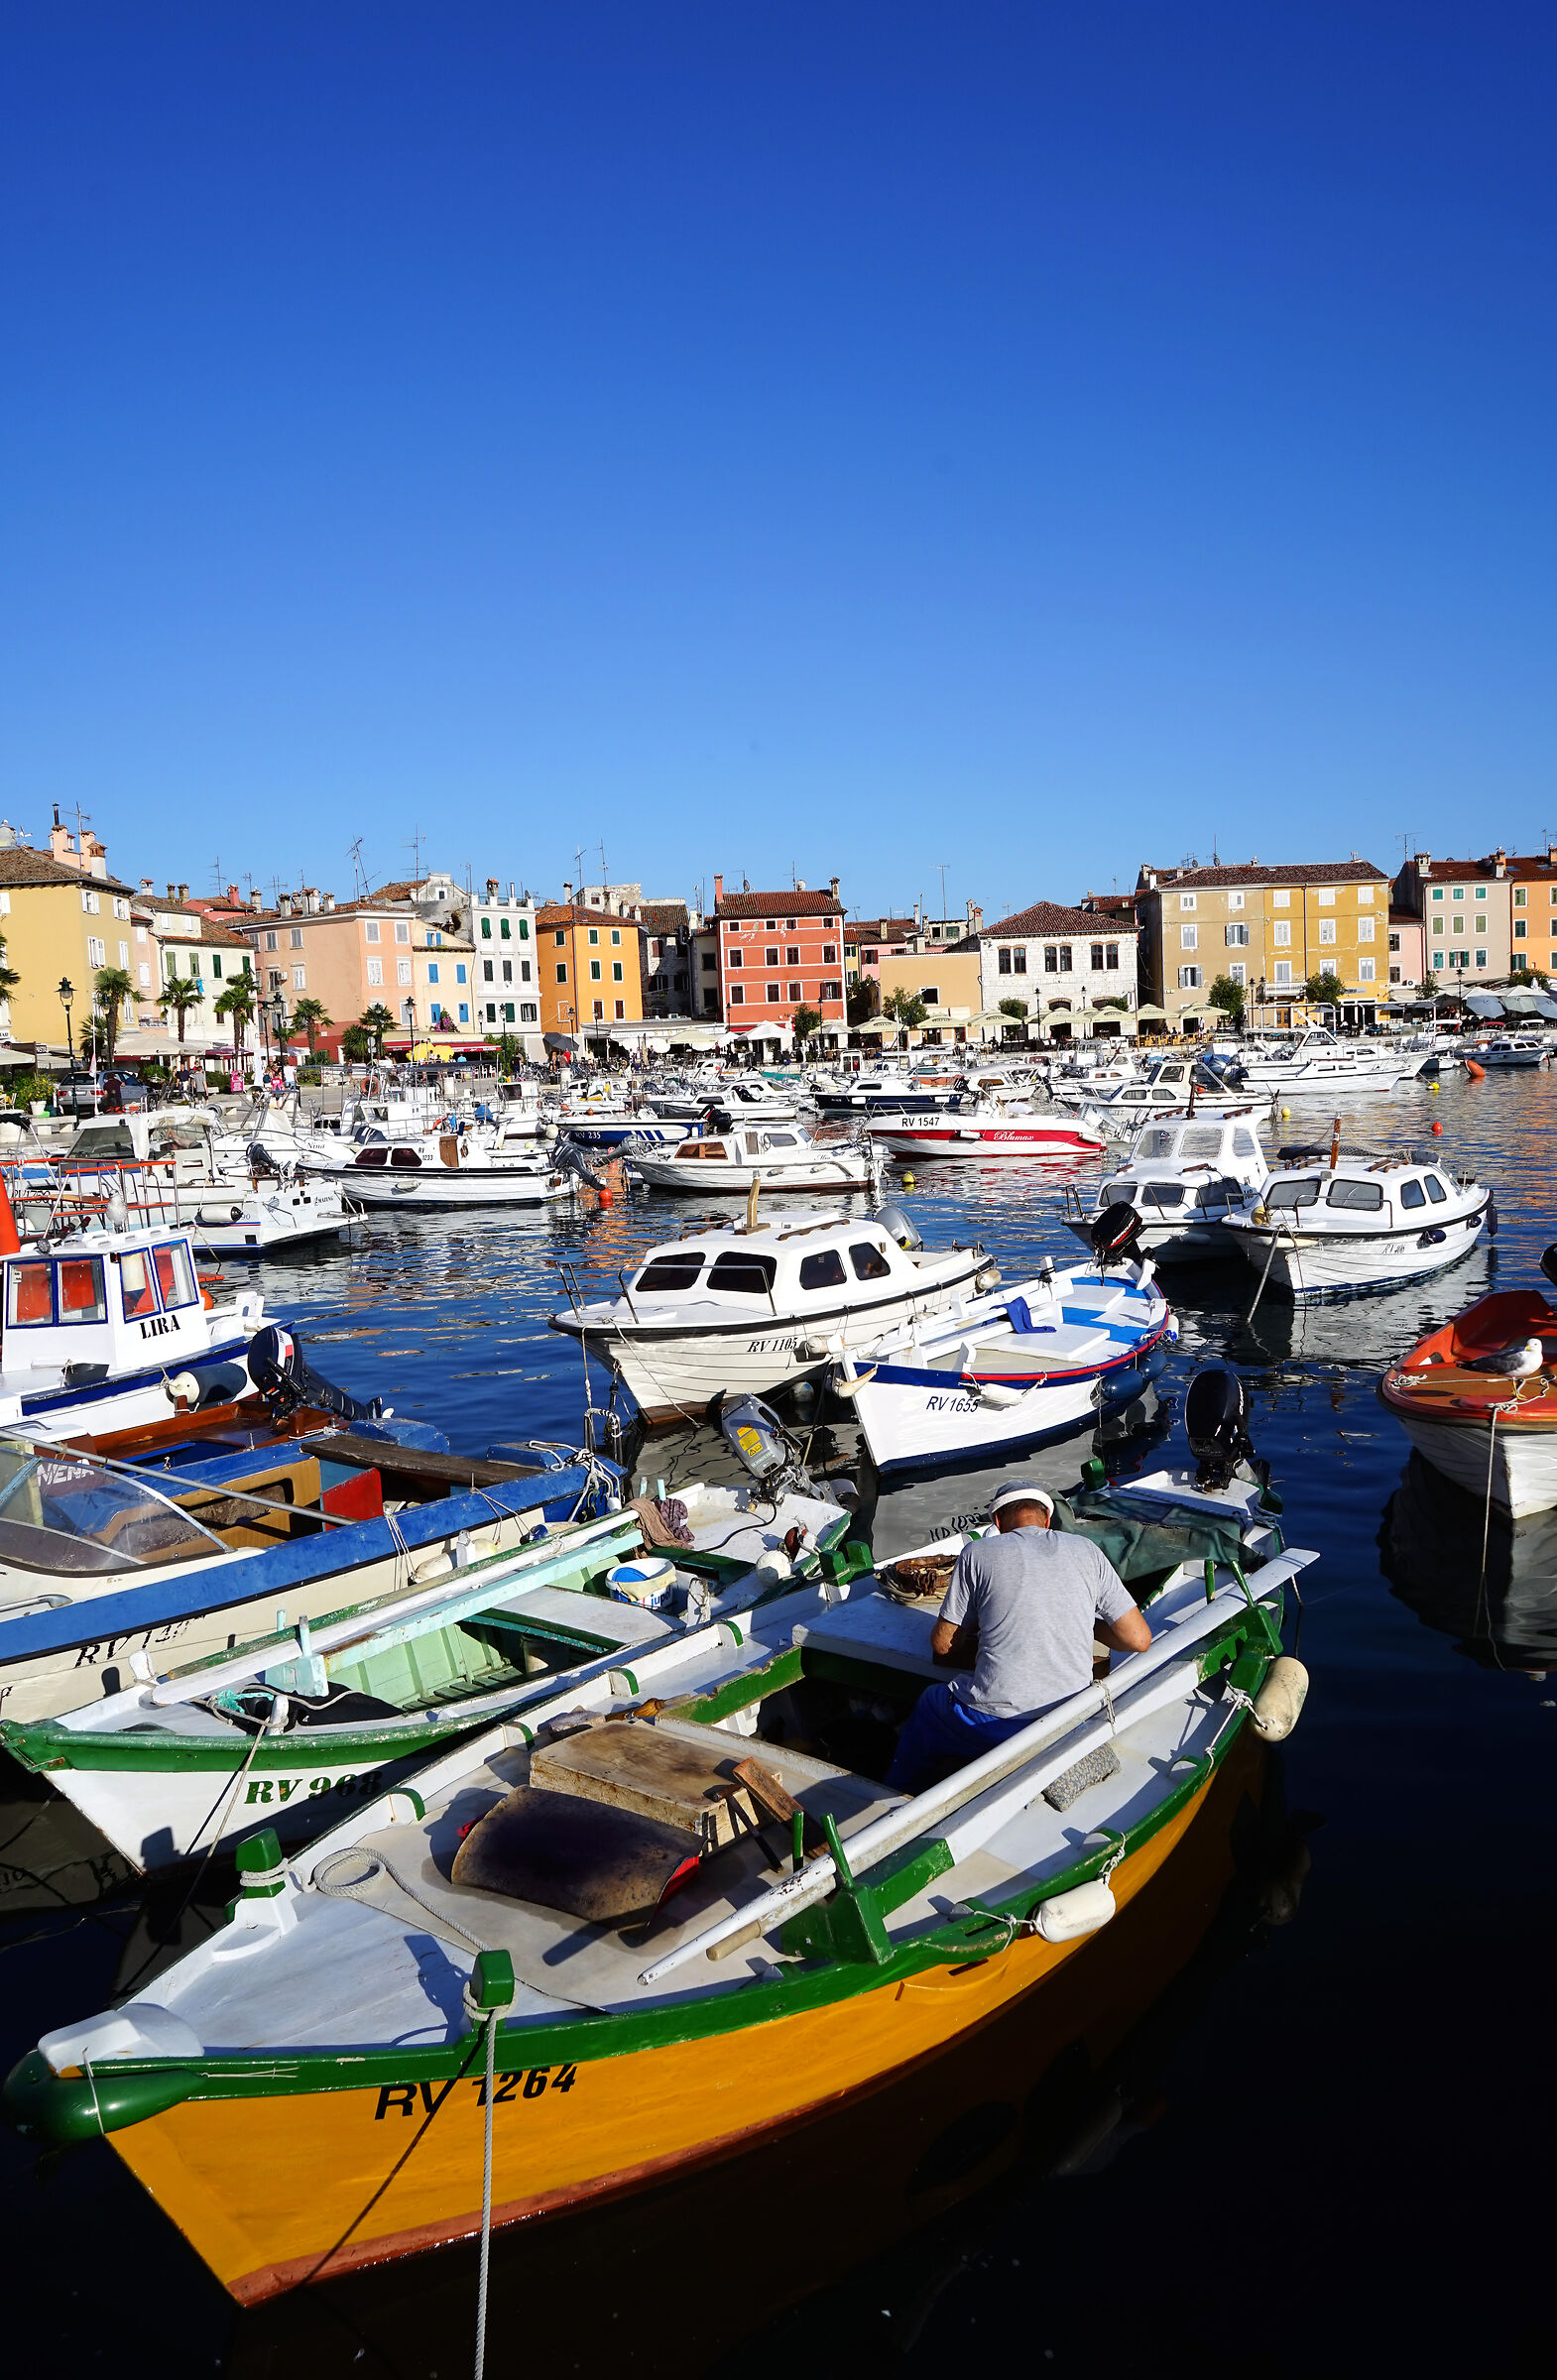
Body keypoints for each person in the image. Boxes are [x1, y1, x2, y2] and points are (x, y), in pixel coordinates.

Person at [886, 1481, 1151, 1795]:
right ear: (1047, 1520)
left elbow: (943, 1645)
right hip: (1067, 1719)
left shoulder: (977, 1552)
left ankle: (899, 1791)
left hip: (993, 1724)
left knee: (932, 1701)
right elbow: (1138, 1639)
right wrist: (1084, 1623)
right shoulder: (1087, 1551)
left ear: (997, 1523)